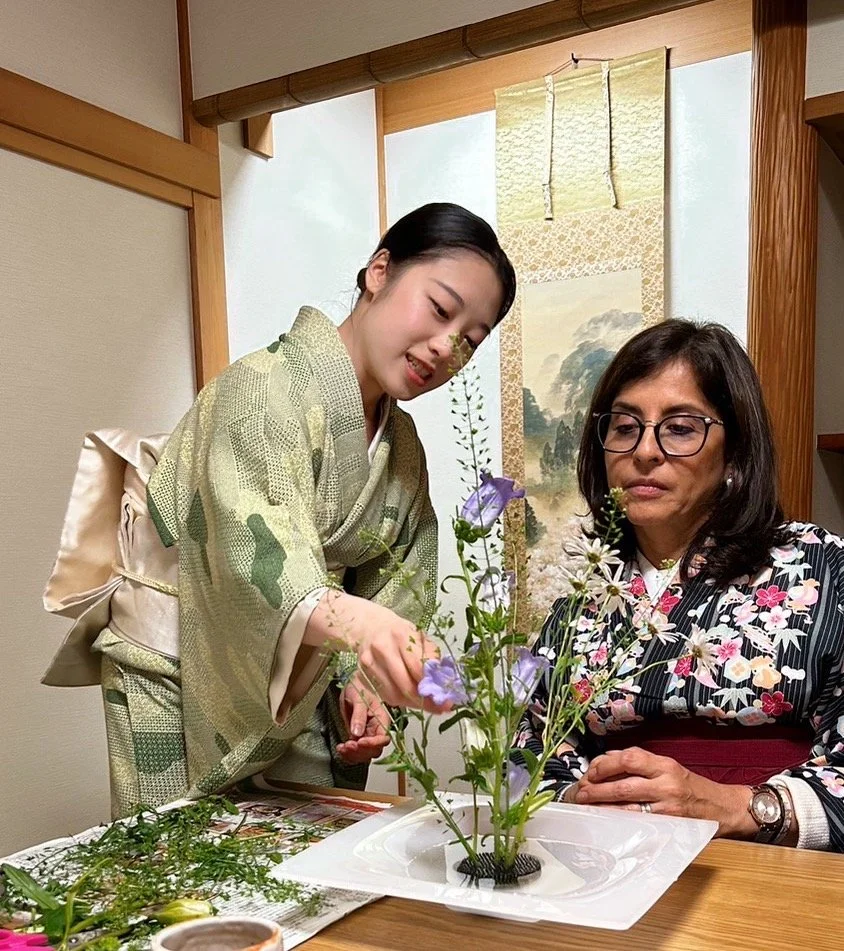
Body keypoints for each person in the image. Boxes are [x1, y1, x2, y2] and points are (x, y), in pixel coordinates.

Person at [43, 202, 516, 817]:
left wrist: (367, 680)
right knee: (178, 884)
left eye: (469, 341)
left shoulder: (401, 449)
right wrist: (365, 628)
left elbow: (398, 579)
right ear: (380, 271)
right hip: (175, 670)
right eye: (440, 309)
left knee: (303, 881)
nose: (444, 347)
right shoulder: (260, 389)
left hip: (301, 681)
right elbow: (256, 555)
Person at [517, 319, 844, 851]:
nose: (645, 451)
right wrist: (579, 798)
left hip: (771, 872)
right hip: (612, 864)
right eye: (624, 427)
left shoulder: (823, 569)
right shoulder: (584, 595)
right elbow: (527, 752)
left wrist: (738, 806)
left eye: (680, 428)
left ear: (734, 452)